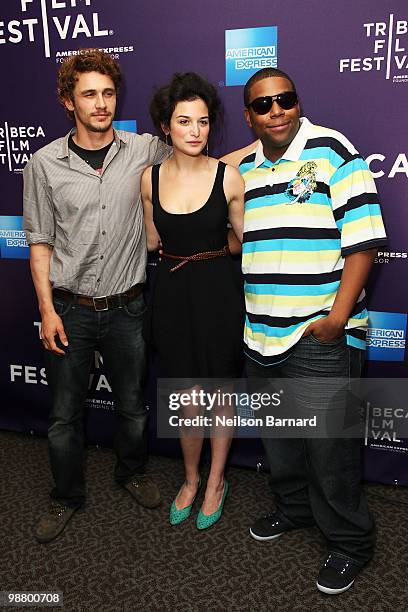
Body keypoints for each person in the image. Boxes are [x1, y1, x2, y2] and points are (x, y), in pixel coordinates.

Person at [222, 68, 387, 594]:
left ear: (298, 102)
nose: (276, 111)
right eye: (262, 105)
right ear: (249, 116)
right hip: (261, 335)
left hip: (318, 334)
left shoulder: (333, 151)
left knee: (330, 451)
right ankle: (293, 509)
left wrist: (337, 319)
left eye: (284, 100)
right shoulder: (244, 168)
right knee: (283, 443)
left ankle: (350, 543)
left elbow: (363, 244)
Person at [23, 49, 171, 543]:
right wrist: (46, 310)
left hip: (130, 307)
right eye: (89, 94)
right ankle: (66, 496)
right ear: (69, 101)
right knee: (65, 416)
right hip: (70, 308)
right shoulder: (44, 163)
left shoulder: (144, 150)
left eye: (108, 93)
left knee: (132, 407)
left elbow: (202, 161)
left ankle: (131, 473)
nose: (101, 103)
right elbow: (40, 242)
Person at [141, 72, 245, 529]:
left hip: (219, 292)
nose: (195, 131)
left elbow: (242, 243)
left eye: (202, 122)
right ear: (166, 126)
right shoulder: (148, 179)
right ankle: (189, 478)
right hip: (172, 294)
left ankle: (216, 480)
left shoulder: (229, 178)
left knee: (221, 391)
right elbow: (150, 240)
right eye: (184, 121)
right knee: (185, 394)